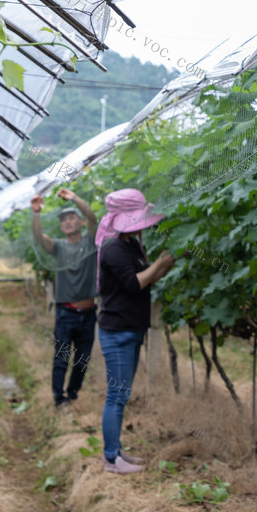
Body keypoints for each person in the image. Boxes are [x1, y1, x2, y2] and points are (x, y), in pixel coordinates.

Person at [95, 188, 175, 475]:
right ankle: (110, 459)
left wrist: (163, 266)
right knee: (116, 395)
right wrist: (159, 265)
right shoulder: (114, 248)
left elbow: (147, 278)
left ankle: (116, 452)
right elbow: (133, 284)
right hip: (117, 332)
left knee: (121, 393)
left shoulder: (130, 246)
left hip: (130, 329)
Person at [31, 188, 99, 409]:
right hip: (65, 313)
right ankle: (59, 399)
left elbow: (92, 217)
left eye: (72, 218)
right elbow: (39, 238)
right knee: (61, 358)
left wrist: (74, 198)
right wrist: (36, 213)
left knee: (82, 360)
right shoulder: (58, 247)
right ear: (61, 226)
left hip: (88, 314)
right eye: (64, 220)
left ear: (79, 222)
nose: (68, 222)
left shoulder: (90, 242)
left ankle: (72, 395)